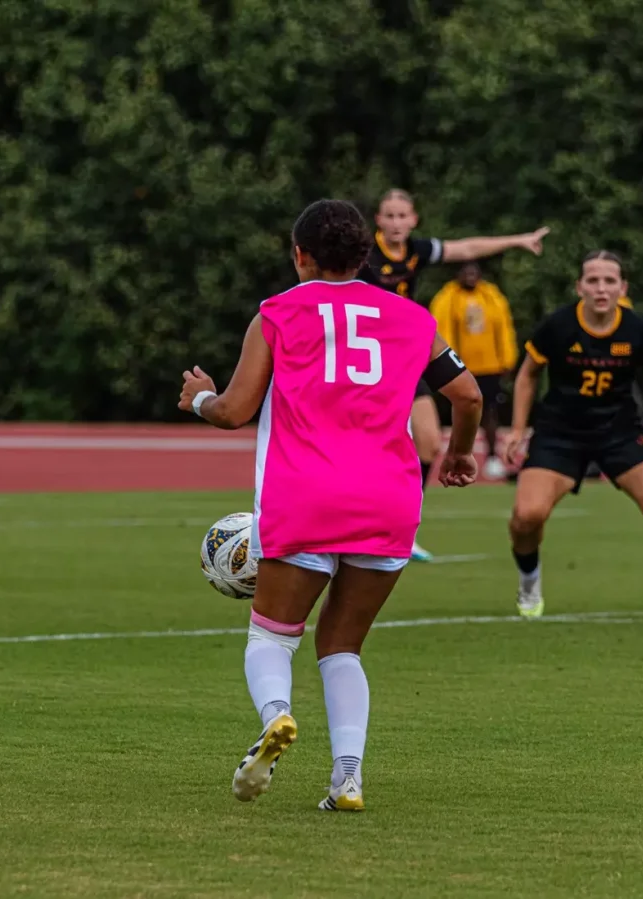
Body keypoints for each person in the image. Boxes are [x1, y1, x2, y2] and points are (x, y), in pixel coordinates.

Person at [178, 199, 484, 811]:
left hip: (306, 497)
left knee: (272, 637)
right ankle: (347, 779)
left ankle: (276, 717)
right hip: (390, 501)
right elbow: (469, 395)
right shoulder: (411, 317)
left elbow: (235, 411)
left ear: (300, 255)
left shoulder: (277, 314)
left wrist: (198, 399)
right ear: (367, 255)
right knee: (341, 647)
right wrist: (456, 455)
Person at [502, 250, 643, 623]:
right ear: (579, 287)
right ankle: (529, 581)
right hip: (559, 433)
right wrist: (519, 430)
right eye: (593, 280)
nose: (601, 288)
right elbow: (528, 374)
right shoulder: (559, 326)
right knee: (526, 516)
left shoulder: (637, 330)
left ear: (622, 288)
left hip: (619, 433)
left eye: (609, 281)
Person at [359, 188, 549, 560]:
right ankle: (354, 522)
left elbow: (466, 249)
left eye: (403, 216)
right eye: (390, 216)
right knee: (364, 446)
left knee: (429, 443)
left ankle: (403, 529)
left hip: (402, 358)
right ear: (378, 221)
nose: (397, 223)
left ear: (414, 220)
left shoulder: (416, 250)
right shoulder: (363, 255)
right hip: (363, 362)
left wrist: (518, 241)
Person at [428, 261, 519, 480]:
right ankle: (456, 454)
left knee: (490, 412)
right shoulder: (448, 297)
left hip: (489, 366)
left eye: (474, 273)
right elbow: (440, 330)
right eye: (466, 272)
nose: (470, 276)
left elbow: (503, 327)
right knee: (457, 409)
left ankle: (492, 457)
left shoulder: (490, 295)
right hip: (460, 368)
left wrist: (507, 359)